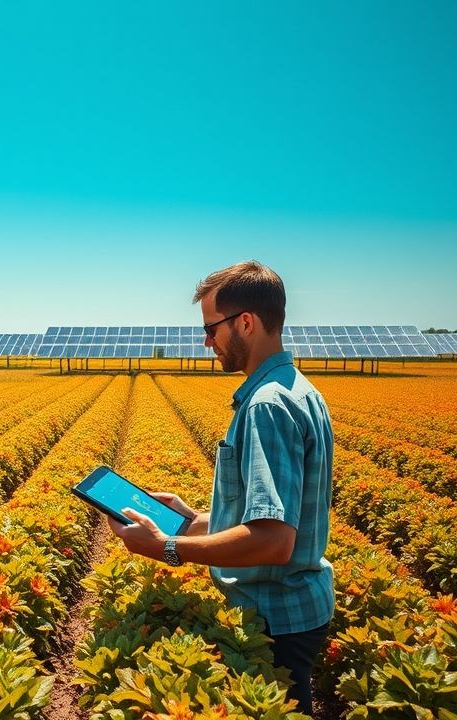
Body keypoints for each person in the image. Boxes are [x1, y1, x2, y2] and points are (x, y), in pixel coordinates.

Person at [109, 260, 334, 715]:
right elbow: (274, 517)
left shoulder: (267, 406)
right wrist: (191, 520)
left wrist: (169, 547)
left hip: (276, 619)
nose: (206, 340)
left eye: (211, 328)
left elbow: (274, 540)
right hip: (294, 609)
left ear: (245, 322)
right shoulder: (297, 390)